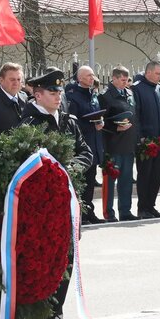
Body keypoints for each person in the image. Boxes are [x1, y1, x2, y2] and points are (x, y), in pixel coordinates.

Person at [18, 68, 93, 319]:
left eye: (59, 91)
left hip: (68, 201)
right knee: (44, 256)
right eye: (52, 92)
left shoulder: (68, 121)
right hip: (44, 204)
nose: (58, 96)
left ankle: (56, 310)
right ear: (37, 95)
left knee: (67, 256)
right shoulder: (29, 123)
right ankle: (42, 312)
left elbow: (86, 152)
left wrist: (73, 168)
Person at [65, 65, 105, 224]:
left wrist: (100, 122)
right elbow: (73, 121)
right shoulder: (73, 96)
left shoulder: (93, 94)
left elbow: (97, 113)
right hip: (82, 144)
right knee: (81, 183)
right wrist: (91, 124)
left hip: (94, 143)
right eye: (88, 75)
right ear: (80, 78)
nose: (92, 78)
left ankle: (90, 212)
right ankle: (80, 214)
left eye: (93, 75)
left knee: (90, 181)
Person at [99, 66, 138, 222]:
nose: (125, 83)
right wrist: (116, 127)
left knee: (126, 180)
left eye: (127, 80)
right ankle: (109, 212)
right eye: (122, 80)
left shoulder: (129, 93)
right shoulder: (105, 96)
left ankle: (125, 211)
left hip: (128, 144)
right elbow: (101, 121)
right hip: (112, 145)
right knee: (110, 182)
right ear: (114, 78)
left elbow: (135, 117)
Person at [132, 61, 160, 218]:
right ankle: (142, 208)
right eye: (157, 73)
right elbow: (136, 114)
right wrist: (140, 137)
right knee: (145, 175)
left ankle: (151, 206)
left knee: (155, 176)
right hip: (146, 141)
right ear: (148, 73)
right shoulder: (137, 88)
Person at [0, 62, 27, 135]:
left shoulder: (25, 98)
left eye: (18, 79)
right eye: (12, 80)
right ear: (1, 80)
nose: (16, 83)